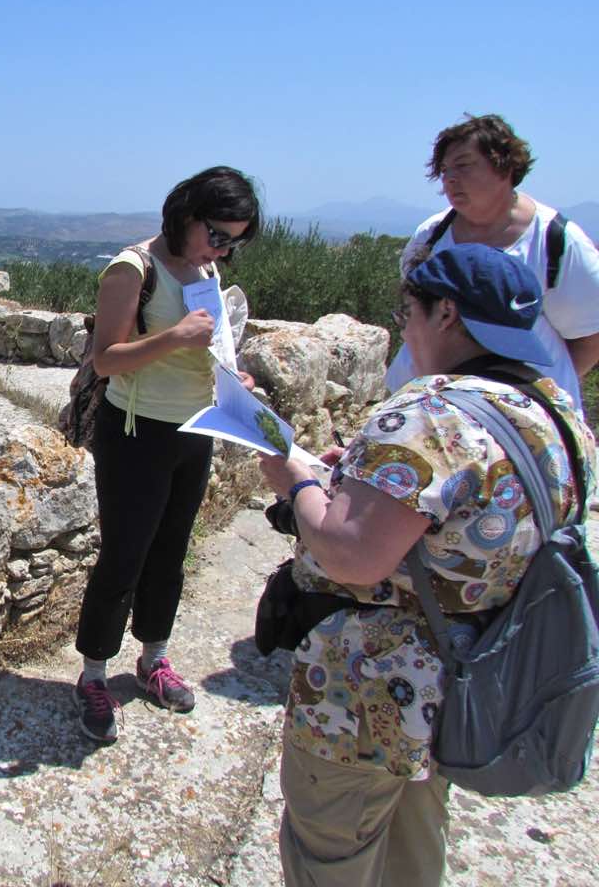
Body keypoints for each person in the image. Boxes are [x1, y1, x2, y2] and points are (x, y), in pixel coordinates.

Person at [258, 242, 597, 885]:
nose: (403, 326)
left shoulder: (427, 414)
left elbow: (351, 553)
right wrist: (361, 478)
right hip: (467, 672)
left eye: (407, 309)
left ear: (445, 313)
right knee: (414, 848)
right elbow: (469, 515)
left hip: (368, 689)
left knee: (330, 852)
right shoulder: (553, 409)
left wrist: (295, 480)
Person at [73, 166, 260, 742]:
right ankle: (93, 675)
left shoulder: (203, 269)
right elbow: (106, 359)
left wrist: (234, 379)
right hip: (134, 431)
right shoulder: (134, 268)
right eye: (219, 235)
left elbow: (207, 351)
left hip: (194, 428)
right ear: (185, 214)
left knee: (170, 551)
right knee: (123, 556)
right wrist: (174, 337)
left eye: (236, 241)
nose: (224, 251)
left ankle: (153, 659)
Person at [387, 113, 599, 414]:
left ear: (504, 166)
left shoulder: (557, 241)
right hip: (433, 408)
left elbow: (589, 337)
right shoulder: (431, 236)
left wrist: (533, 391)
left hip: (520, 415)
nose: (449, 179)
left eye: (462, 165)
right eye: (444, 169)